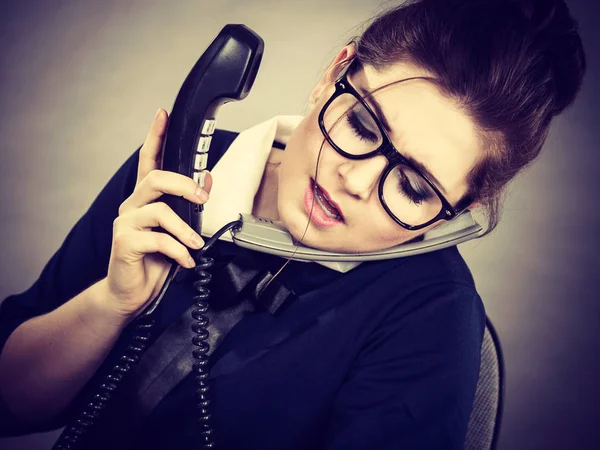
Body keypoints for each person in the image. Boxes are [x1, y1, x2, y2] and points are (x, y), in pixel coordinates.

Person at [0, 0, 586, 449]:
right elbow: (13, 403)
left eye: (413, 187)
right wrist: (111, 302)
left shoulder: (432, 314)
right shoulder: (172, 177)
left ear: (458, 215)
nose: (356, 183)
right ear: (334, 73)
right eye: (361, 126)